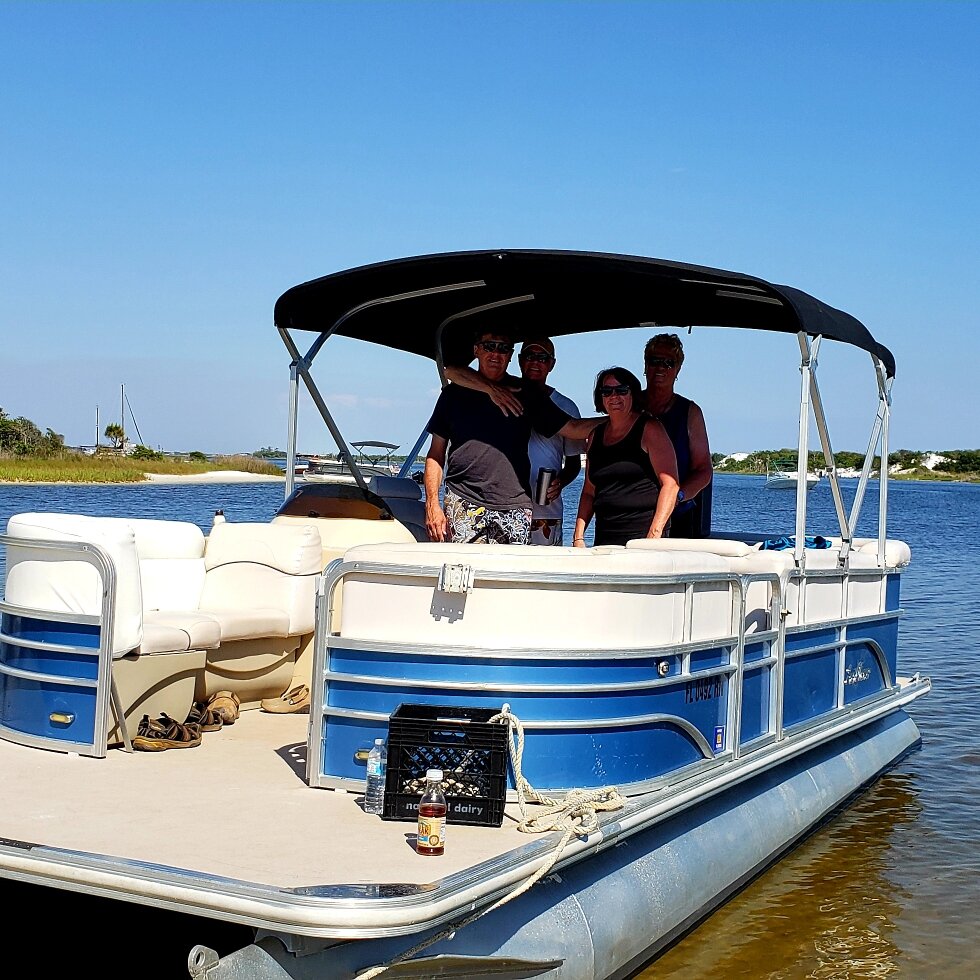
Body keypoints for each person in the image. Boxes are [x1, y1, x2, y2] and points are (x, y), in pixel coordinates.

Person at [425, 330, 602, 545]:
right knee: (463, 573)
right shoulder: (453, 394)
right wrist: (432, 504)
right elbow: (435, 454)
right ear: (476, 350)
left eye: (503, 348)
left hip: (515, 508)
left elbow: (573, 428)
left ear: (510, 357)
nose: (496, 354)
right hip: (463, 501)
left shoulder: (525, 392)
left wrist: (627, 419)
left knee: (514, 575)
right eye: (489, 346)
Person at [573, 367, 680, 548]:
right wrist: (578, 537)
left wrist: (653, 537)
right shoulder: (594, 436)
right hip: (605, 538)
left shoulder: (650, 429)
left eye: (621, 390)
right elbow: (589, 491)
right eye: (607, 391)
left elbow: (670, 485)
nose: (614, 396)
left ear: (633, 394)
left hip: (643, 537)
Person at [642, 333, 713, 538]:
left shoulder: (690, 413)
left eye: (669, 363)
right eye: (655, 361)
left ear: (678, 369)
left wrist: (678, 496)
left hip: (677, 517)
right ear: (645, 365)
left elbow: (703, 470)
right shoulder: (629, 403)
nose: (661, 367)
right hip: (633, 514)